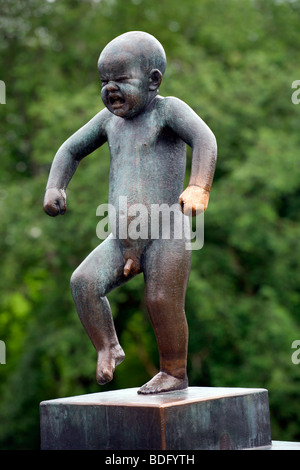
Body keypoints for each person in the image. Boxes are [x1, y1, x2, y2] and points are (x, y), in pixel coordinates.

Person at [43, 31, 217, 394]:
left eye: (121, 80)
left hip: (167, 231)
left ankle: (174, 371)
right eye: (104, 81)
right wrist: (55, 186)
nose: (110, 89)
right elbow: (70, 150)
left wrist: (199, 186)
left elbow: (204, 139)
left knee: (160, 299)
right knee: (83, 283)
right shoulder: (108, 122)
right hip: (120, 239)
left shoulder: (167, 111)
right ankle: (108, 346)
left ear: (153, 80)